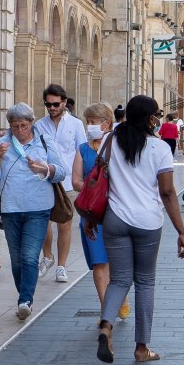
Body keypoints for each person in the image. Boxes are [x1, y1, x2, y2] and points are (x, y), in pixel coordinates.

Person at [95, 96, 184, 364]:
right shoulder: (159, 148)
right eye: (156, 115)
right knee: (145, 282)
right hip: (147, 222)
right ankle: (141, 348)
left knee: (120, 279)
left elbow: (98, 179)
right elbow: (168, 192)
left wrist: (92, 220)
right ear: (149, 119)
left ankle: (106, 326)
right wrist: (181, 231)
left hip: (115, 219)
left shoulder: (110, 140)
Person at [0, 103, 67, 319]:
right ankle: (24, 295)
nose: (20, 130)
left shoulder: (43, 140)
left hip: (38, 208)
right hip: (10, 208)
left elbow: (62, 172)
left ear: (31, 123)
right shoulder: (2, 142)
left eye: (24, 125)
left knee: (30, 257)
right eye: (15, 125)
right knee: (17, 258)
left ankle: (25, 300)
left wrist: (46, 168)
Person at [71, 103, 130, 322]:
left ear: (106, 123)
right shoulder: (83, 149)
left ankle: (120, 299)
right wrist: (93, 185)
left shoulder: (119, 147)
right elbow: (75, 180)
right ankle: (107, 310)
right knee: (99, 264)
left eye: (93, 122)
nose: (89, 126)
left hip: (116, 212)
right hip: (92, 214)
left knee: (117, 263)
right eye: (87, 121)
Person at [33, 84, 87, 283]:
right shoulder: (38, 125)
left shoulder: (75, 124)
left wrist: (80, 179)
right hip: (45, 180)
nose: (52, 108)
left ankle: (61, 266)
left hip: (68, 182)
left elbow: (81, 152)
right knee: (42, 223)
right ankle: (47, 257)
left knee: (64, 224)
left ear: (64, 103)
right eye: (48, 104)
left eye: (56, 104)